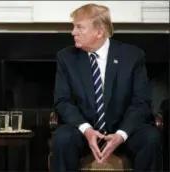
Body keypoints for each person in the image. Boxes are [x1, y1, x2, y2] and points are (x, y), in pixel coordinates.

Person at [52, 3, 161, 172]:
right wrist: (87, 130)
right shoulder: (66, 58)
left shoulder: (132, 56)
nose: (73, 32)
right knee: (62, 138)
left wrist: (121, 135)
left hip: (124, 130)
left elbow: (141, 102)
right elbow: (63, 101)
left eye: (79, 27)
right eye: (74, 27)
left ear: (99, 32)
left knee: (150, 138)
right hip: (83, 130)